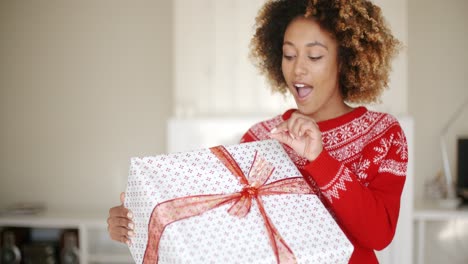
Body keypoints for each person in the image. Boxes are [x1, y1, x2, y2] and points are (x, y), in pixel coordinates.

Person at [107, 0, 408, 263]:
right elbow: (224, 230)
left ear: (345, 60)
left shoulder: (382, 134)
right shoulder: (260, 137)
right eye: (289, 55)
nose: (297, 70)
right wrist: (141, 218)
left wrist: (320, 159)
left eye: (314, 56)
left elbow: (378, 235)